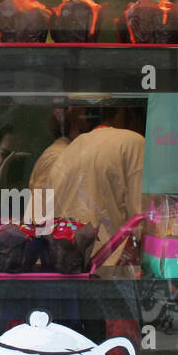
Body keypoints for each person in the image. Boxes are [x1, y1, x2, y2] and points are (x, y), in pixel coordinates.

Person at [43, 105, 145, 268]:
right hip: (110, 271)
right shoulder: (133, 143)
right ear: (125, 112)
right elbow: (144, 222)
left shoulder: (68, 151)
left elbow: (45, 217)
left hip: (65, 270)